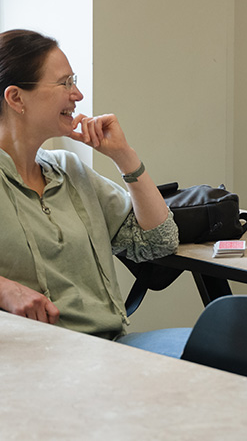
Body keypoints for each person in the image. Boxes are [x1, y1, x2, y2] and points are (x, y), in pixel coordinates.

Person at [0, 29, 186, 357]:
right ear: (16, 98)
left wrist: (124, 156)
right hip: (36, 360)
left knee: (229, 348)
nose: (78, 94)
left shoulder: (70, 169)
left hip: (109, 348)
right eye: (65, 83)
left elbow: (160, 241)